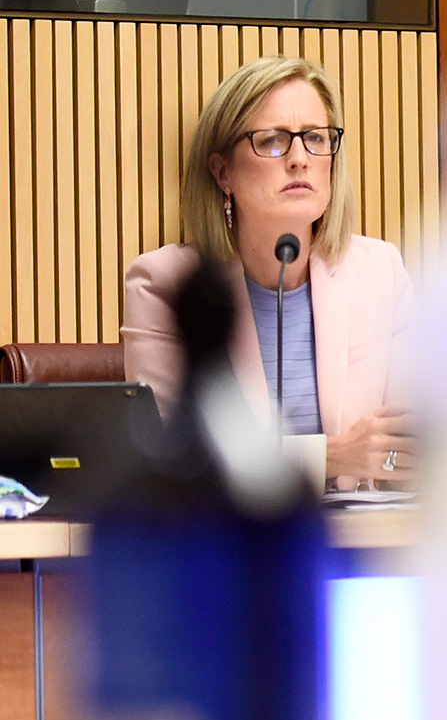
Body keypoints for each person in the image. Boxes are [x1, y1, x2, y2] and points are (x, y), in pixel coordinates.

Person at [123, 56, 415, 486]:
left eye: (315, 138)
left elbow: (416, 439)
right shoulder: (166, 284)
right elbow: (175, 459)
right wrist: (330, 457)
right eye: (273, 141)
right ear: (223, 172)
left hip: (362, 539)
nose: (300, 158)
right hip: (230, 545)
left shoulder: (379, 271)